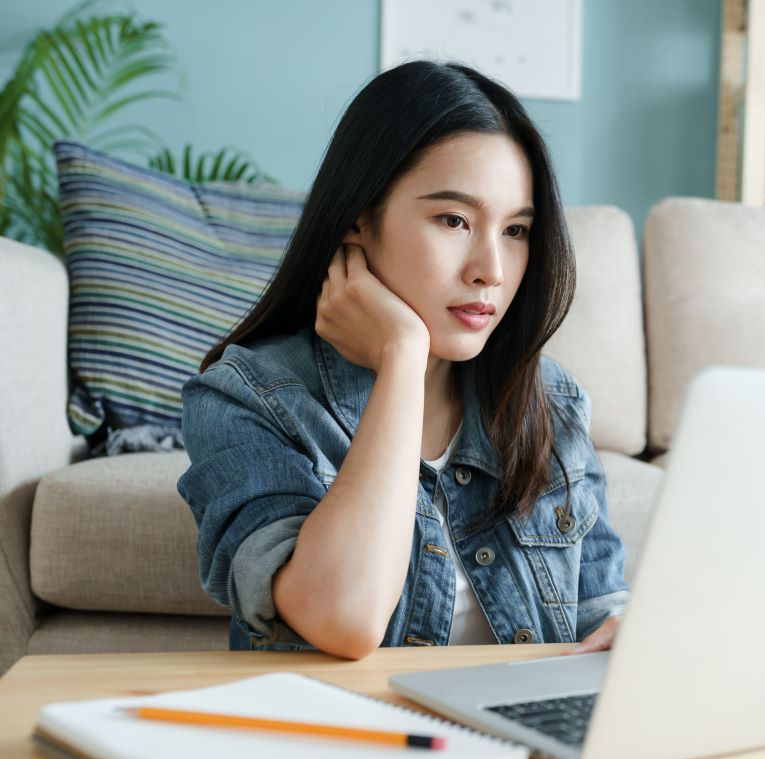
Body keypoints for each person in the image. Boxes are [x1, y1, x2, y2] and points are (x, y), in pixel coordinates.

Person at [176, 60, 626, 660]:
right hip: (341, 743)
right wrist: (402, 357)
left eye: (516, 230)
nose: (490, 269)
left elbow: (600, 613)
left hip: (515, 743)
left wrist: (629, 634)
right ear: (360, 219)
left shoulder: (552, 402)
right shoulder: (246, 398)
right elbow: (344, 618)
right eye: (454, 220)